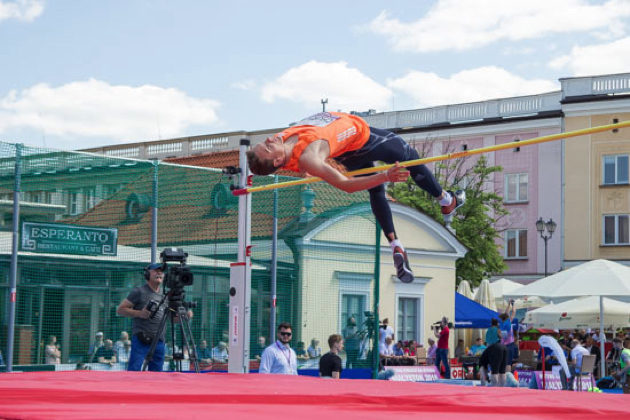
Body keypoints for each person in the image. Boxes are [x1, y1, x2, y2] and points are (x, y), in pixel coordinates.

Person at [246, 112, 465, 283]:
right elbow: (346, 185)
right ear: (276, 160)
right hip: (363, 140)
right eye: (267, 146)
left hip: (348, 146)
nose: (268, 139)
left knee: (377, 191)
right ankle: (447, 200)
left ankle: (395, 243)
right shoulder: (309, 157)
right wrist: (385, 175)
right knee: (410, 157)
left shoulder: (280, 139)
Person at [116, 262, 168, 371]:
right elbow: (120, 310)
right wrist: (139, 313)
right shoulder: (139, 291)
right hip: (142, 339)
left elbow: (172, 318)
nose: (159, 273)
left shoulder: (164, 294)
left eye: (161, 271)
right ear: (147, 274)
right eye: (156, 271)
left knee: (157, 374)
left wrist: (185, 314)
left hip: (159, 340)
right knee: (135, 370)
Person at [499, 300, 517, 369]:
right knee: (508, 363)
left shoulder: (501, 323)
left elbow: (506, 313)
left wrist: (508, 304)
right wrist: (513, 304)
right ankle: (507, 377)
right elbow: (514, 312)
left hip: (502, 345)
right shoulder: (508, 322)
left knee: (503, 362)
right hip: (509, 345)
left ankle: (502, 376)